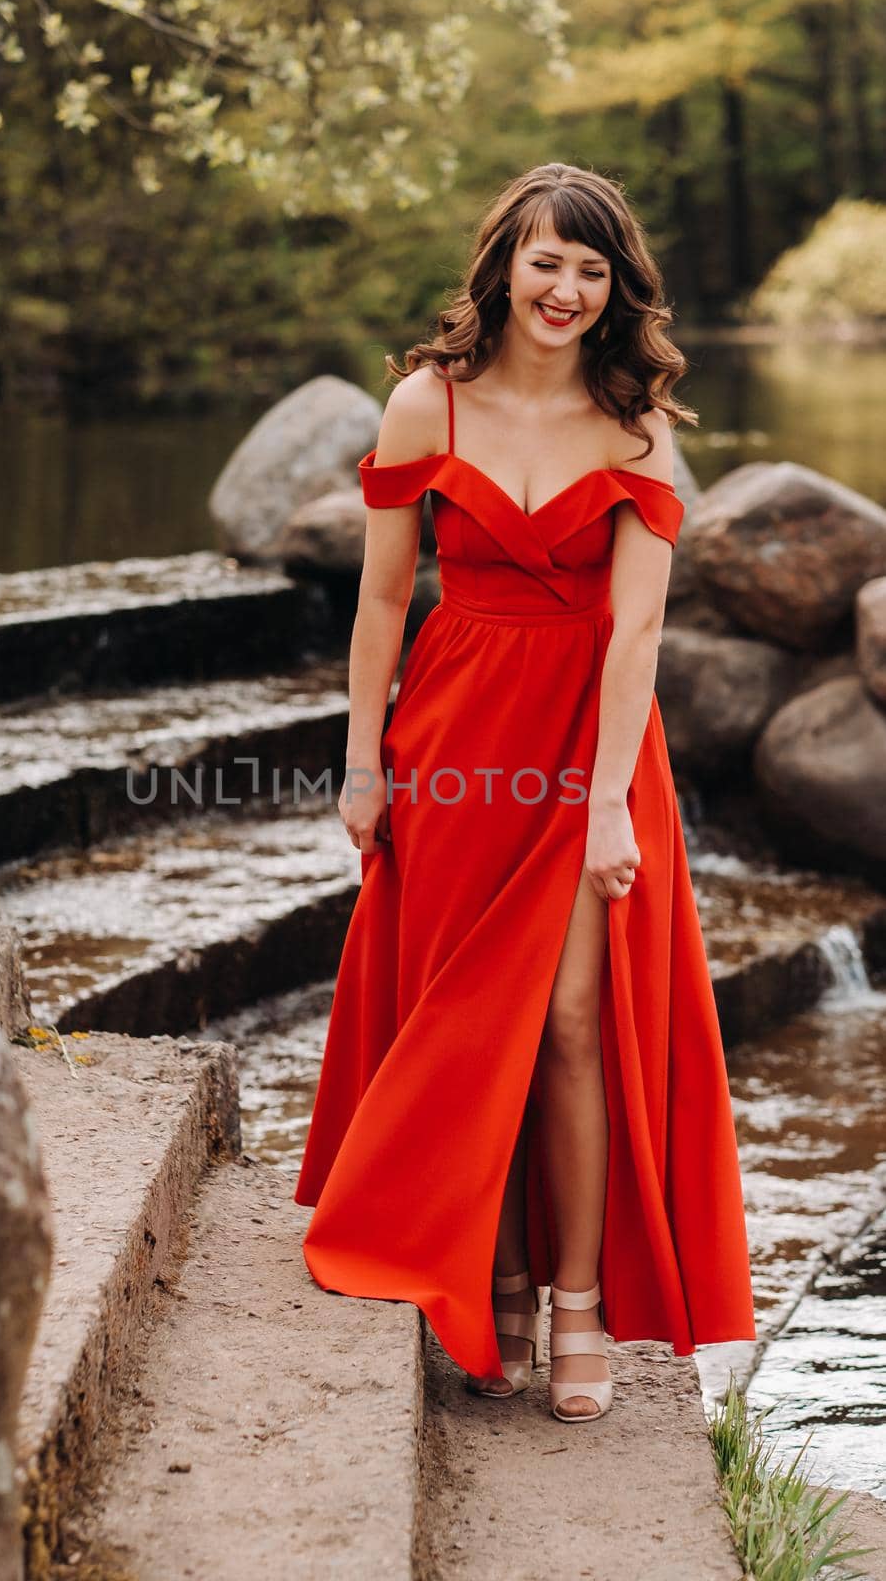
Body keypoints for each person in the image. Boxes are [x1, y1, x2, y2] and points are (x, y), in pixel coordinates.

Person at [293, 161, 756, 1419]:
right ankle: (484, 1264)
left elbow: (637, 635)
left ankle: (574, 1299)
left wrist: (607, 800)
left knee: (565, 1022)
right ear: (502, 262)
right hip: (453, 739)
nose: (563, 288)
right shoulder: (422, 408)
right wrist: (359, 763)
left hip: (589, 748)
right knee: (458, 1008)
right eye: (545, 260)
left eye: (590, 268)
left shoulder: (635, 427)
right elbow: (383, 597)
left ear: (617, 290)